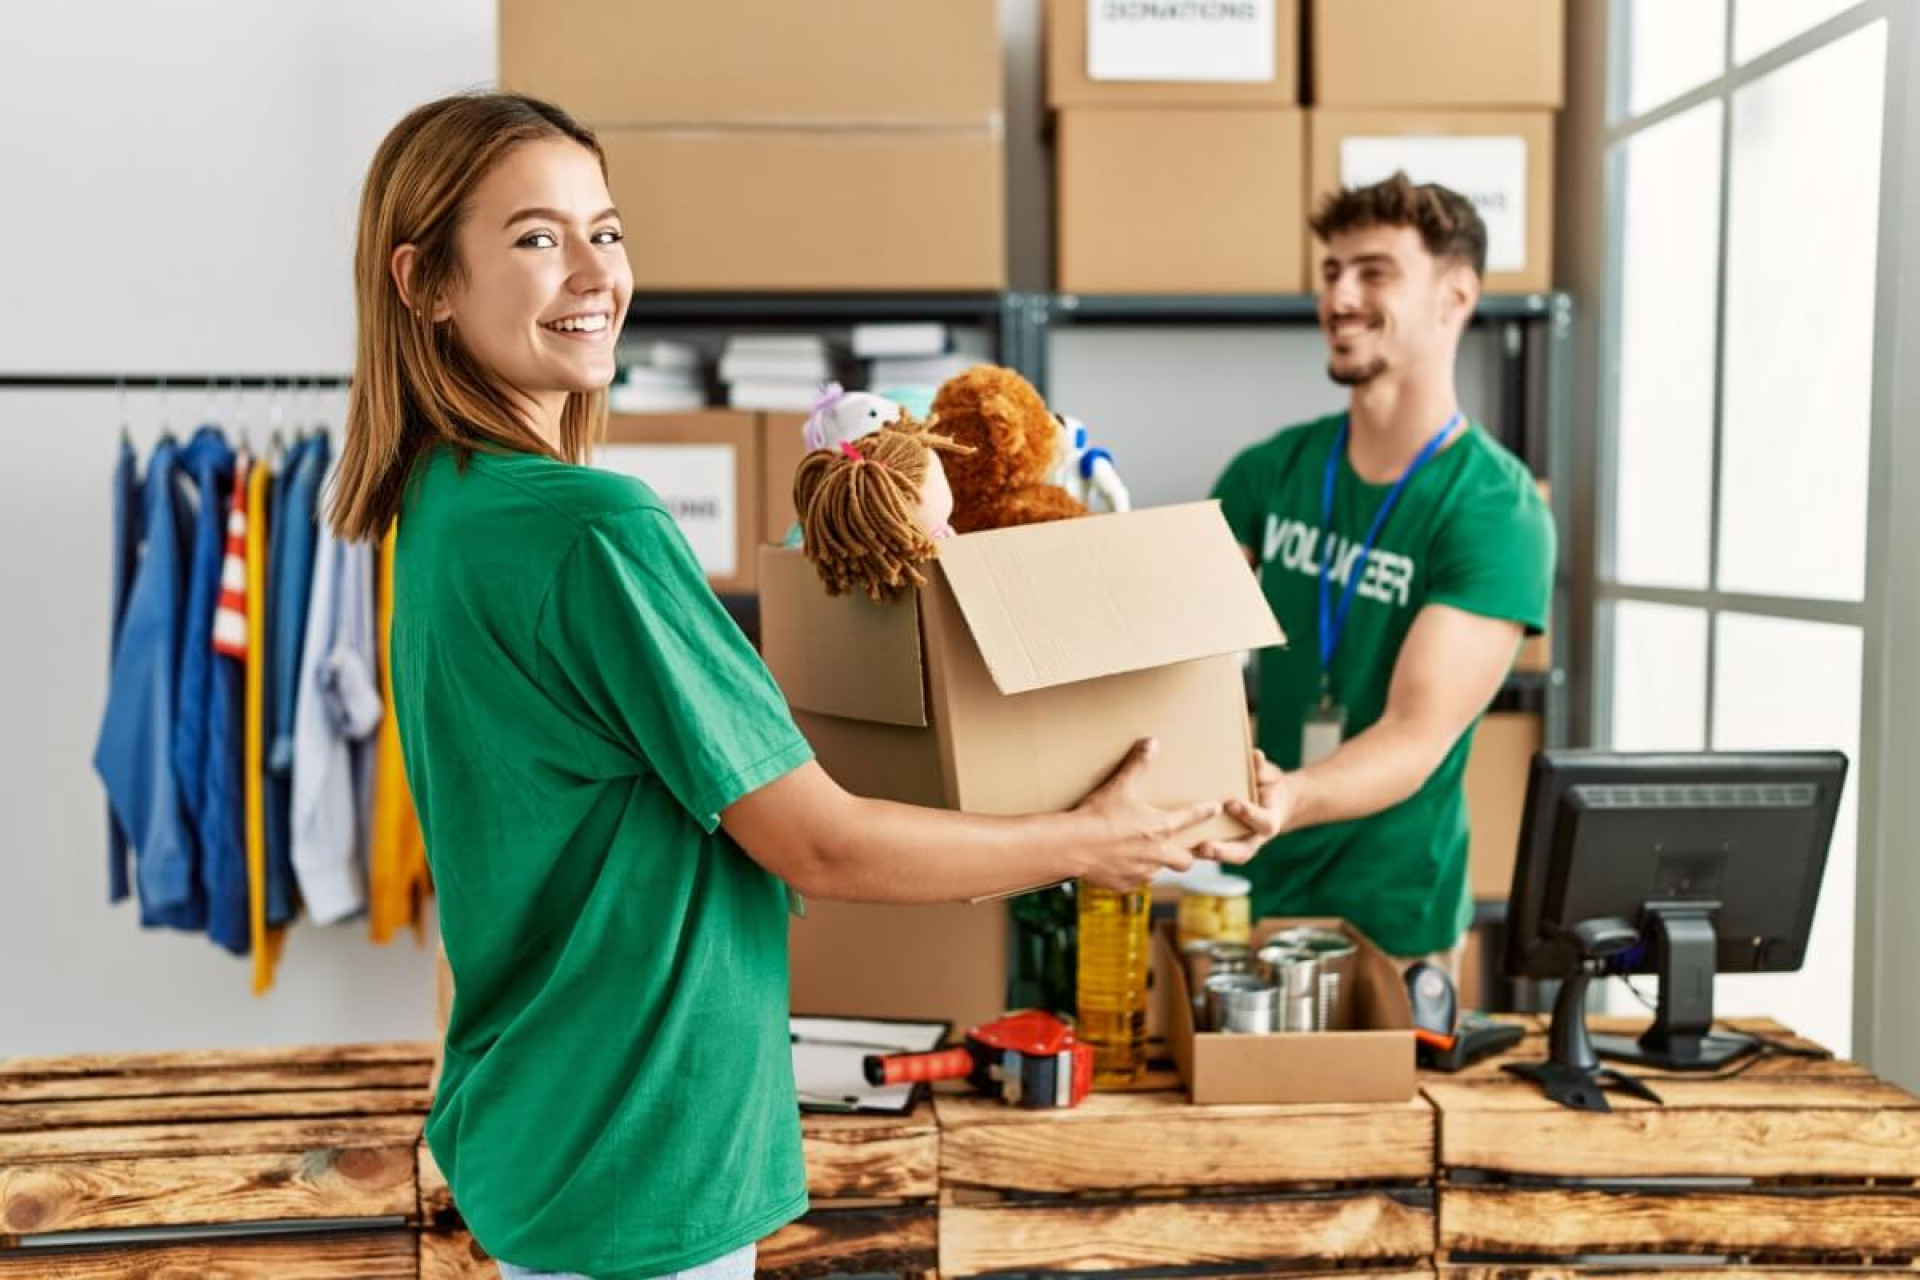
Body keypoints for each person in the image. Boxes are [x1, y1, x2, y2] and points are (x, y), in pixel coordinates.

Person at [330, 92, 1280, 1280]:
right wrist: (1085, 838)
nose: (594, 271)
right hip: (639, 1156)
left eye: (606, 230)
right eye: (536, 237)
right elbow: (818, 843)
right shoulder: (593, 526)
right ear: (425, 282)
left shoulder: (447, 508)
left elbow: (662, 756)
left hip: (544, 1126)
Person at [1211, 173, 1555, 974]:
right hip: (1260, 894)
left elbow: (1415, 734)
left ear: (1455, 296)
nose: (1339, 297)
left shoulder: (1494, 510)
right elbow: (1177, 646)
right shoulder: (1270, 472)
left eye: (1375, 272)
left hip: (1399, 923)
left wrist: (1289, 797)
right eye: (1332, 272)